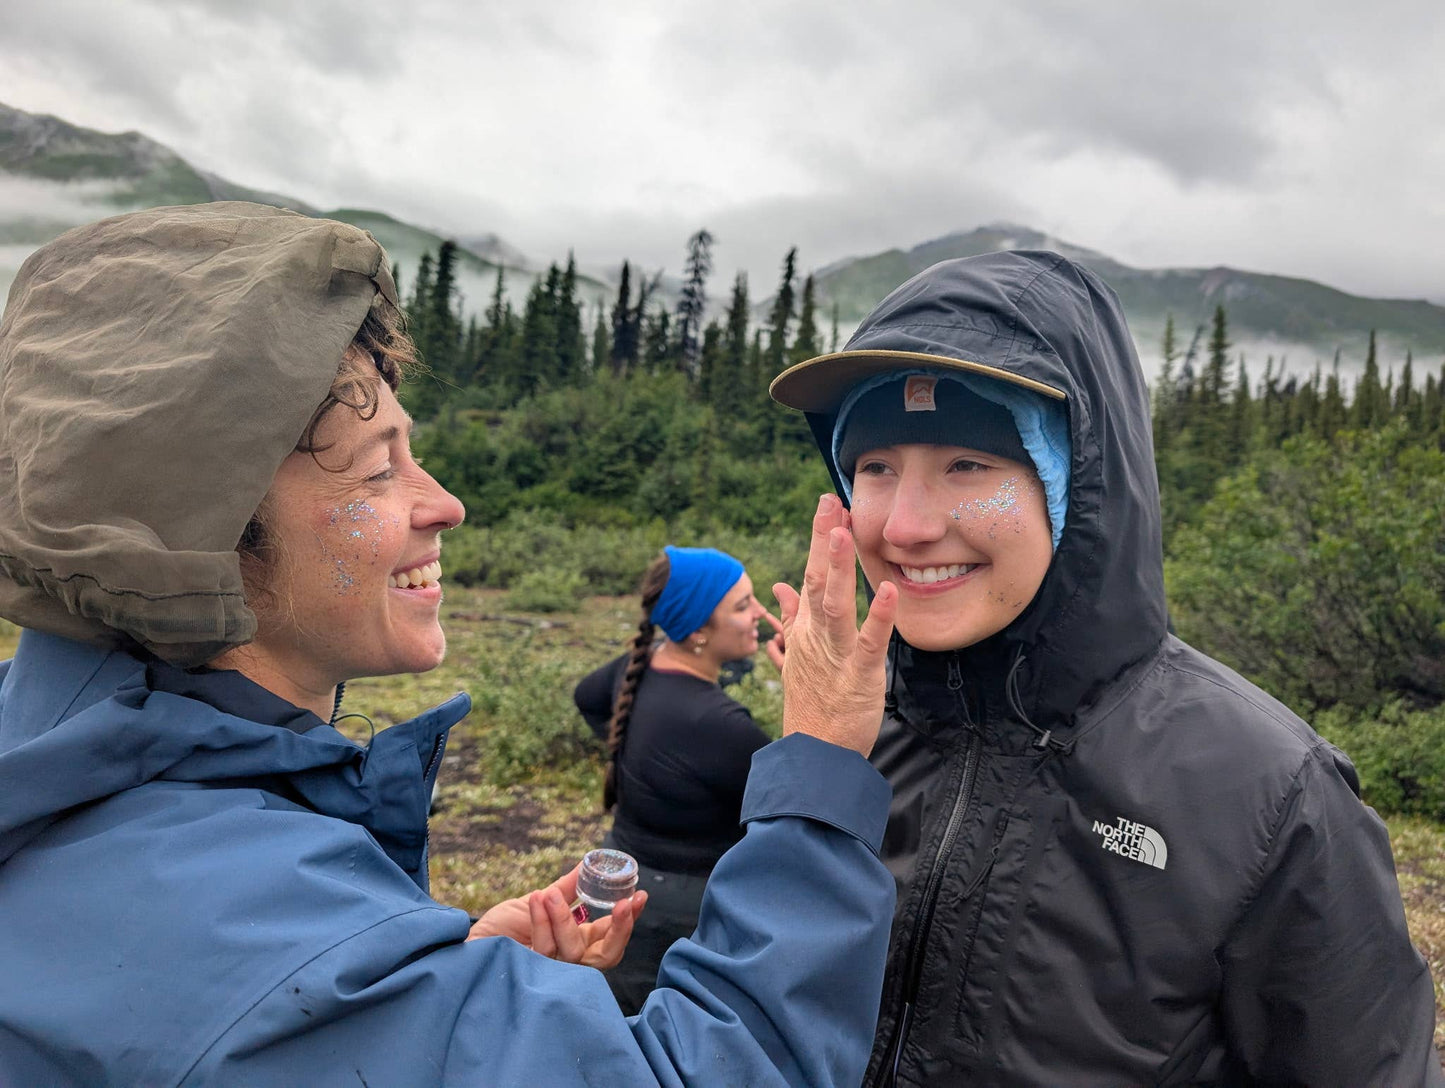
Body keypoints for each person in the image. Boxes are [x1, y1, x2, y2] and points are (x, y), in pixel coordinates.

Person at [0, 201, 900, 1086]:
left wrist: (432, 998)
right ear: (201, 538)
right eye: (380, 468)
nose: (444, 504)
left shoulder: (54, 753)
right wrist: (817, 761)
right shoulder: (243, 938)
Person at [769, 250, 1445, 1087]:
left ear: (1076, 485)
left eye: (966, 465)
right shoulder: (842, 731)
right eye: (875, 468)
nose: (903, 527)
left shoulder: (1266, 792)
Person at [574, 545, 784, 1013]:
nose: (759, 615)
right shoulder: (719, 723)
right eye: (742, 605)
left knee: (609, 1015)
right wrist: (809, 689)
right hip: (680, 911)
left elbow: (586, 696)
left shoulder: (639, 666)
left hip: (617, 880)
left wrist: (631, 755)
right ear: (698, 634)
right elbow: (800, 799)